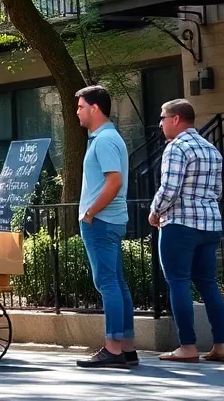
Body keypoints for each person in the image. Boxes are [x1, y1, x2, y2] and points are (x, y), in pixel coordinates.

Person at [147, 99, 224, 364]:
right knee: (208, 283)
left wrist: (154, 211)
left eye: (162, 118)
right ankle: (222, 345)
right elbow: (217, 191)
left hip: (180, 224)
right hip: (210, 224)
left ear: (175, 119)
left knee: (178, 281)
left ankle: (187, 346)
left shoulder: (176, 148)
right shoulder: (211, 149)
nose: (159, 124)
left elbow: (169, 189)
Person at [72, 85, 136, 369]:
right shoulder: (104, 138)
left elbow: (114, 181)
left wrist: (90, 213)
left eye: (81, 107)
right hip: (108, 220)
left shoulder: (105, 140)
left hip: (101, 221)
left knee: (107, 283)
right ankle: (126, 348)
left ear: (95, 108)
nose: (77, 112)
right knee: (117, 283)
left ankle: (112, 348)